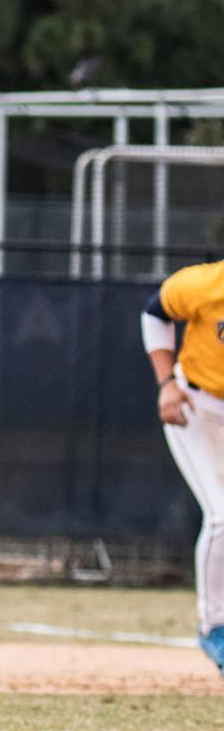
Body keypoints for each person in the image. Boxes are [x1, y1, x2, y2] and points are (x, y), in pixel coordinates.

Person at [142, 259, 224, 677]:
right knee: (222, 516)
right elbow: (155, 312)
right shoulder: (207, 283)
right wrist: (166, 384)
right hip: (196, 406)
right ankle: (215, 627)